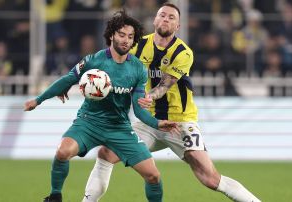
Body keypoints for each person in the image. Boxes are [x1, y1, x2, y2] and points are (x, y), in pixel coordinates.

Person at [81, 3, 261, 202]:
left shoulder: (184, 52)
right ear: (155, 20)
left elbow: (165, 84)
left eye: (171, 17)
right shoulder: (138, 46)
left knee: (209, 178)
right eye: (162, 15)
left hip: (180, 122)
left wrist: (149, 97)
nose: (166, 19)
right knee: (106, 153)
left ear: (177, 26)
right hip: (149, 122)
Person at [24, 11, 179, 202]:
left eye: (130, 37)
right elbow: (68, 79)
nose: (125, 40)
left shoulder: (138, 68)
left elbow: (139, 109)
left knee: (153, 176)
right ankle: (55, 195)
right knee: (62, 152)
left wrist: (157, 123)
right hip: (89, 122)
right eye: (122, 35)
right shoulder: (94, 60)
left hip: (119, 128)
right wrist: (38, 100)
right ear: (112, 35)